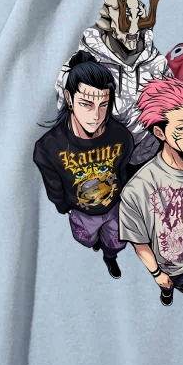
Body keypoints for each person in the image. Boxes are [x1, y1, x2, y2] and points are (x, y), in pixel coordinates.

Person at [117, 79, 183, 306]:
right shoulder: (138, 188)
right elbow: (139, 241)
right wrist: (157, 274)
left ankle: (182, 284)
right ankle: (167, 291)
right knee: (168, 286)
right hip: (165, 267)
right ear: (160, 132)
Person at [33, 51, 134, 279]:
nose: (96, 115)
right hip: (80, 211)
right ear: (69, 99)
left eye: (103, 104)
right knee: (85, 238)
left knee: (116, 242)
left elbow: (123, 171)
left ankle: (110, 256)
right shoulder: (48, 147)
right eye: (86, 104)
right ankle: (97, 242)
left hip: (115, 207)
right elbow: (53, 185)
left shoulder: (121, 136)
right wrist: (64, 207)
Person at [54, 0, 170, 171]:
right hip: (101, 163)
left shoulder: (156, 62)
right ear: (109, 23)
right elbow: (65, 114)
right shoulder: (82, 65)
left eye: (138, 16)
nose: (134, 29)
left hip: (149, 159)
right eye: (127, 18)